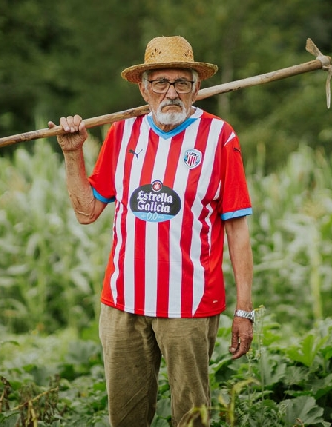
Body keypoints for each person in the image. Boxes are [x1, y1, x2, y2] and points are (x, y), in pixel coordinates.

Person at [48, 36, 254, 427]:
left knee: (191, 417)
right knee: (126, 418)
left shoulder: (219, 138)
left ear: (197, 88)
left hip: (189, 308)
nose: (171, 92)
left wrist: (244, 309)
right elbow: (86, 211)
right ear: (143, 88)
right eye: (160, 82)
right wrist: (73, 153)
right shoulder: (123, 135)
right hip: (123, 305)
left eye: (182, 82)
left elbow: (237, 228)